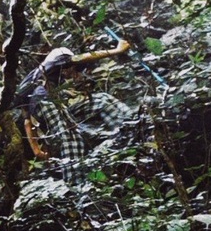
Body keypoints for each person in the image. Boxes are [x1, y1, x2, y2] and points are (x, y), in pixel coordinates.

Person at [20, 40, 130, 169]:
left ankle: (128, 130)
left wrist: (36, 149)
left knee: (102, 100)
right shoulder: (53, 63)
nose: (71, 71)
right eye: (70, 66)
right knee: (71, 139)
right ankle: (75, 180)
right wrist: (117, 50)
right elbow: (83, 57)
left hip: (49, 107)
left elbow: (26, 119)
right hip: (46, 103)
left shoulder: (33, 79)